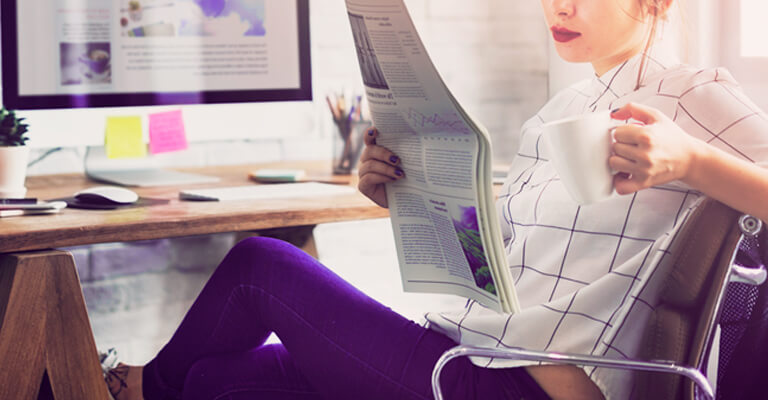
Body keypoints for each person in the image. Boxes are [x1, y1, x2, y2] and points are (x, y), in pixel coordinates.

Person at [105, 0, 768, 399]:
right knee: (214, 383)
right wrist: (402, 197)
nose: (558, 7)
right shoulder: (558, 116)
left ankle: (127, 390)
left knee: (262, 267)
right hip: (465, 349)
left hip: (518, 386)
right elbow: (494, 269)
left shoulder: (692, 95)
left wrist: (692, 160)